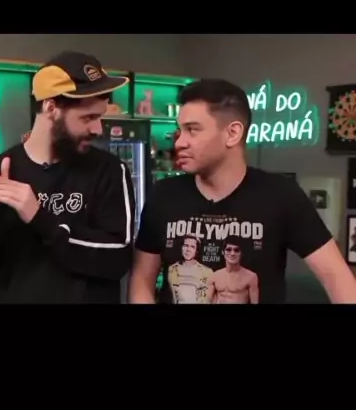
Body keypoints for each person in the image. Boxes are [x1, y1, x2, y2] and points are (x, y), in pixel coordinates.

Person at [129, 78, 356, 305]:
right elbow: (142, 279)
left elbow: (335, 276)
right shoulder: (163, 195)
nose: (180, 142)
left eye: (192, 130)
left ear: (232, 133)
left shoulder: (280, 195)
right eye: (180, 131)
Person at [0, 51, 136, 303]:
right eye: (88, 117)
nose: (98, 129)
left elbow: (118, 259)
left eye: (100, 116)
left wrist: (40, 218)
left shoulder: (110, 171)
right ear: (51, 108)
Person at [167, 236, 214, 304]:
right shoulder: (172, 269)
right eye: (186, 245)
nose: (188, 249)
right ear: (181, 247)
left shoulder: (207, 271)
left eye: (192, 247)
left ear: (196, 251)